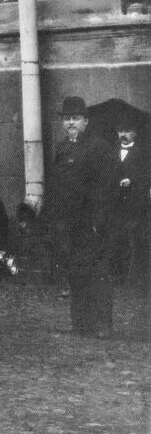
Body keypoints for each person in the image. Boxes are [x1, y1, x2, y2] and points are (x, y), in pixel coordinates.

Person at [46, 96, 115, 338]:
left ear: (86, 121)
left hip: (91, 223)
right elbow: (56, 185)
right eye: (67, 119)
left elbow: (105, 186)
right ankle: (81, 324)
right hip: (69, 222)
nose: (71, 123)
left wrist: (99, 219)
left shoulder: (97, 147)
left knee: (97, 273)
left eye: (75, 118)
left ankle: (103, 324)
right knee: (76, 272)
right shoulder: (62, 148)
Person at [109, 116, 150, 286]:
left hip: (135, 204)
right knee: (117, 239)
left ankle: (135, 278)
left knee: (136, 239)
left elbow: (147, 177)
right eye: (120, 131)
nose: (123, 135)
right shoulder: (111, 152)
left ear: (134, 133)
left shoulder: (143, 154)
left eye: (126, 131)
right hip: (116, 204)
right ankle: (119, 276)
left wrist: (132, 181)